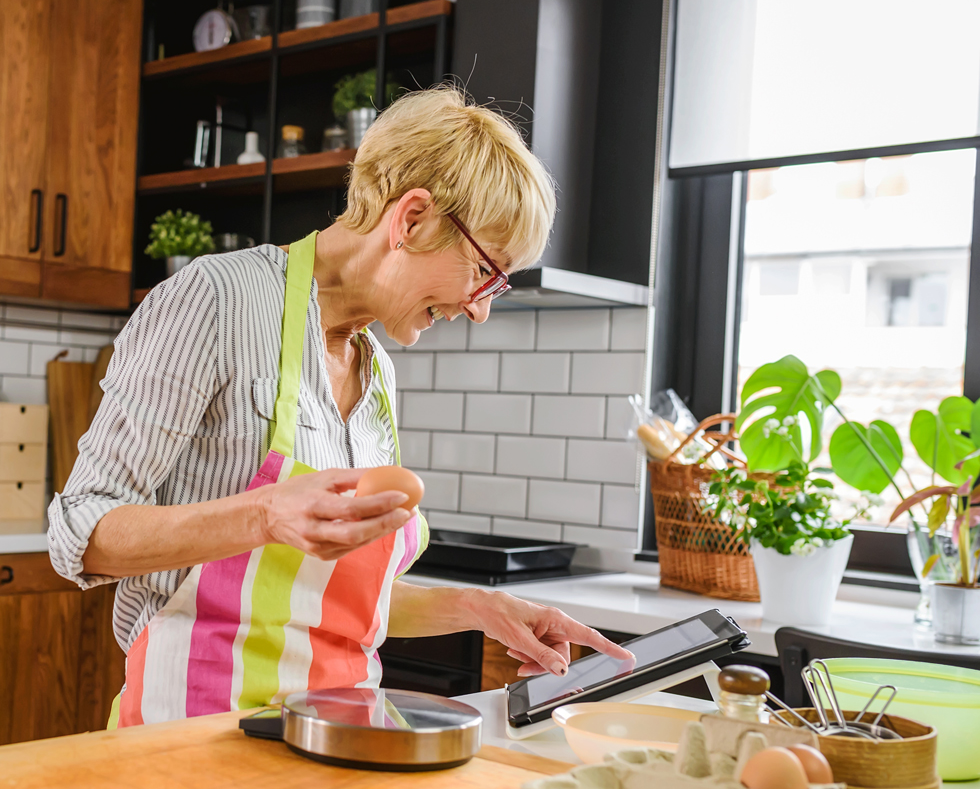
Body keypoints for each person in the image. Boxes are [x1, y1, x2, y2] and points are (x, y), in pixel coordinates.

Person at [48, 86, 631, 727]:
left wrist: (478, 608)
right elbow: (80, 531)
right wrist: (265, 512)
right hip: (189, 732)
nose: (481, 308)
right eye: (484, 272)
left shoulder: (375, 372)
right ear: (411, 220)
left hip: (335, 733)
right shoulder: (216, 300)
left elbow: (321, 597)